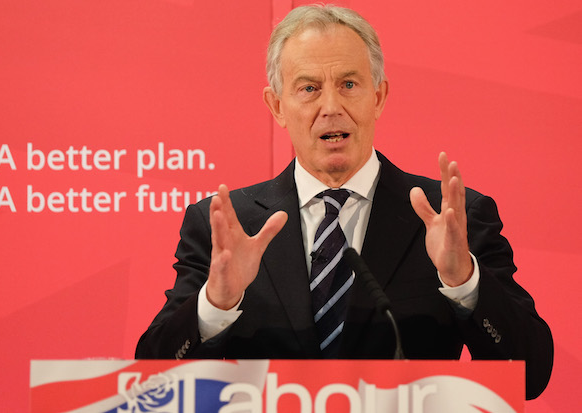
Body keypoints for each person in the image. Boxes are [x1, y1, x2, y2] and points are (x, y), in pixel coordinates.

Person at [136, 4, 553, 399]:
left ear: (379, 97)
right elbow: (153, 382)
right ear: (277, 106)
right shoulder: (228, 227)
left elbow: (530, 376)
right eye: (309, 88)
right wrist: (216, 303)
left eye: (349, 85)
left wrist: (465, 281)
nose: (331, 107)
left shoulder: (449, 218)